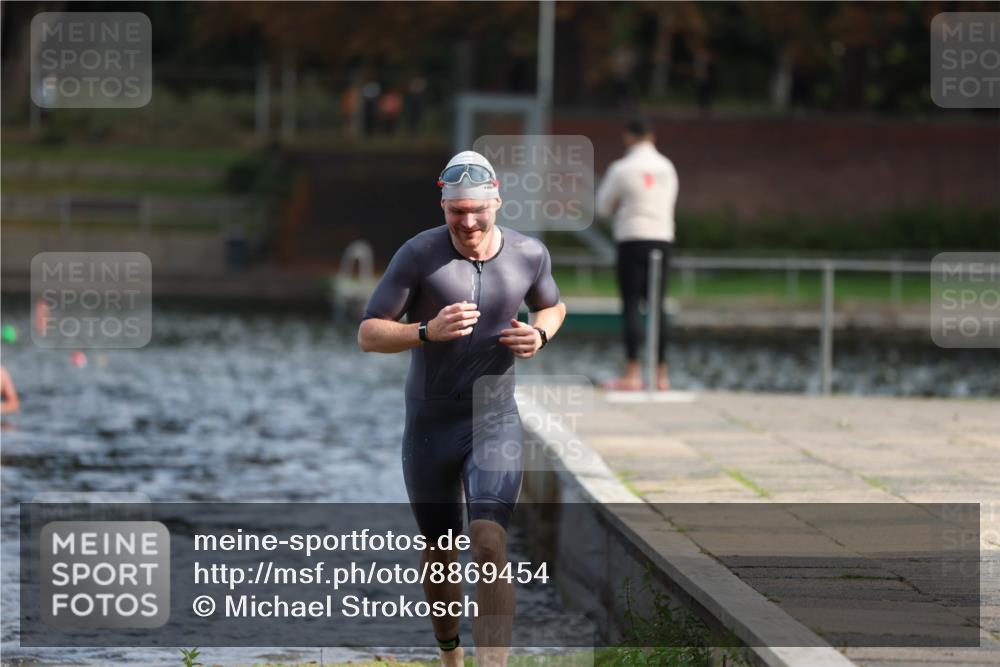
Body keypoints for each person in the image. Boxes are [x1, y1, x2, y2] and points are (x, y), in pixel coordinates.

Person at [357, 150, 566, 667]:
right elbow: (368, 332)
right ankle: (451, 656)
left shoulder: (528, 253)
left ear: (497, 199)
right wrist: (425, 331)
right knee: (442, 552)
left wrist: (539, 334)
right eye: (456, 212)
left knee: (489, 540)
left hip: (492, 419)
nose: (468, 222)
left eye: (478, 209)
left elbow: (553, 305)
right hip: (430, 426)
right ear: (443, 204)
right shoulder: (419, 255)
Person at [595, 117, 679, 391]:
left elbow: (603, 207)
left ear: (628, 138)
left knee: (632, 305)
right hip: (662, 239)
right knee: (657, 306)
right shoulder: (667, 167)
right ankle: (662, 375)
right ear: (653, 138)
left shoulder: (622, 168)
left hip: (632, 239)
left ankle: (632, 373)